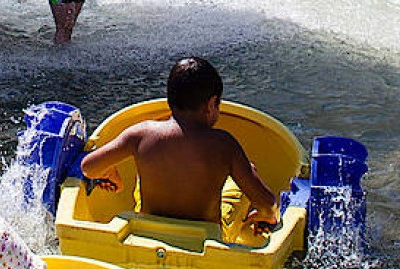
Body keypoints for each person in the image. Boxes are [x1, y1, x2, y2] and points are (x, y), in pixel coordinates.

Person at [80, 57, 280, 233]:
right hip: (205, 240)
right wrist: (266, 215)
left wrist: (109, 172)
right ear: (211, 104)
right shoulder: (223, 144)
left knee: (146, 176)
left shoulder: (140, 134)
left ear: (170, 99)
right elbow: (268, 204)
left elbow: (88, 167)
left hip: (147, 232)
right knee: (247, 174)